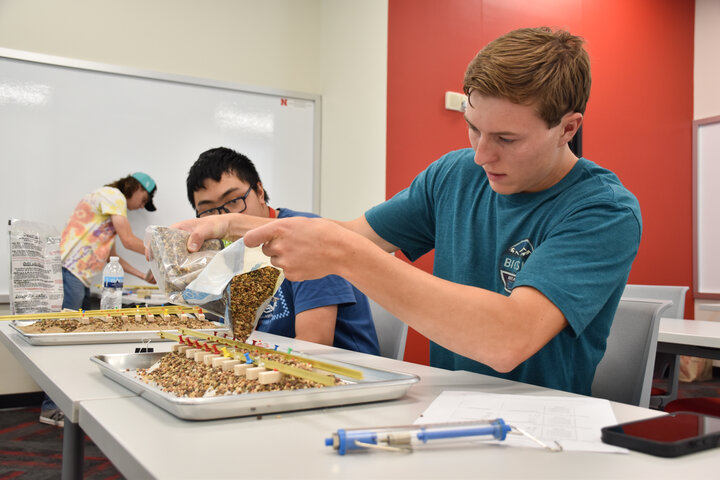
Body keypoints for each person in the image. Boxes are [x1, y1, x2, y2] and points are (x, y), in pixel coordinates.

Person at [175, 27, 642, 396]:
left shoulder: (603, 210)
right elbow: (360, 234)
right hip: (447, 403)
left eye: (506, 139)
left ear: (568, 128)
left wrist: (342, 254)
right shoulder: (455, 174)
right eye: (473, 129)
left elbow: (508, 340)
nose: (481, 155)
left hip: (540, 427)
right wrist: (234, 223)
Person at [183, 147, 379, 355]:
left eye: (233, 202)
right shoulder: (233, 252)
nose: (222, 218)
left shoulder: (307, 235)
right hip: (271, 363)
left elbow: (314, 343)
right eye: (209, 211)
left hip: (344, 374)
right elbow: (235, 333)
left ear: (259, 192)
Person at [40, 172, 158, 427]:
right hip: (70, 273)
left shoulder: (106, 212)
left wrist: (144, 275)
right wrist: (162, 252)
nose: (140, 206)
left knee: (77, 344)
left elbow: (112, 257)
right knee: (65, 343)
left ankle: (64, 406)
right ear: (135, 188)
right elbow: (129, 240)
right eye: (143, 199)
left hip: (78, 279)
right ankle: (50, 408)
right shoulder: (113, 196)